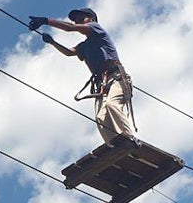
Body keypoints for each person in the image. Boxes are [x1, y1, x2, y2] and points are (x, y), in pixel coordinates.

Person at [29, 8, 135, 146]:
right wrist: (52, 42)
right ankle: (113, 146)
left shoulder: (96, 29)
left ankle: (129, 139)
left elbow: (71, 28)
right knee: (100, 117)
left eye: (81, 19)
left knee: (112, 105)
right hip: (102, 84)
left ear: (92, 19)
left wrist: (46, 21)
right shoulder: (84, 46)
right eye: (76, 20)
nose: (78, 22)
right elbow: (68, 52)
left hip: (116, 77)